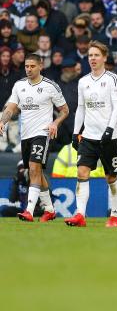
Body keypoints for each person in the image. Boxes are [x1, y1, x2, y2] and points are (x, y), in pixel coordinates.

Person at [0, 53, 69, 222]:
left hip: (42, 133)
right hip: (26, 135)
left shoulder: (50, 86)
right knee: (35, 172)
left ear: (40, 66)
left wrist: (55, 123)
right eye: (26, 66)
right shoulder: (19, 85)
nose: (29, 69)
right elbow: (10, 108)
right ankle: (50, 210)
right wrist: (2, 122)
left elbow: (65, 110)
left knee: (33, 167)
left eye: (32, 66)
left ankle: (29, 210)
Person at [64, 41, 117, 227]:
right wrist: (75, 132)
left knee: (111, 177)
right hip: (88, 136)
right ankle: (80, 214)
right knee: (81, 172)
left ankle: (115, 215)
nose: (93, 59)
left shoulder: (113, 79)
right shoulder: (83, 82)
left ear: (104, 57)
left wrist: (110, 129)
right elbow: (80, 109)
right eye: (90, 55)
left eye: (96, 55)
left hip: (109, 137)